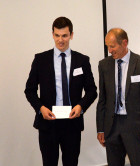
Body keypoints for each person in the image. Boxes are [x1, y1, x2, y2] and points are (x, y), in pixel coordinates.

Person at [24, 17, 97, 166]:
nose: (60, 40)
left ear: (71, 35)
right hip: (48, 122)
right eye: (57, 35)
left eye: (64, 35)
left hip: (72, 123)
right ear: (52, 34)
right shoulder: (40, 60)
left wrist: (80, 106)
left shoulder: (82, 60)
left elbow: (92, 91)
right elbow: (29, 90)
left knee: (71, 163)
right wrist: (41, 109)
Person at [96, 28, 140, 166]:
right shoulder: (104, 65)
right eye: (107, 46)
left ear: (124, 43)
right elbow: (102, 100)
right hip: (111, 127)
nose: (110, 50)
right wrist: (100, 128)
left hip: (135, 128)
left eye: (112, 46)